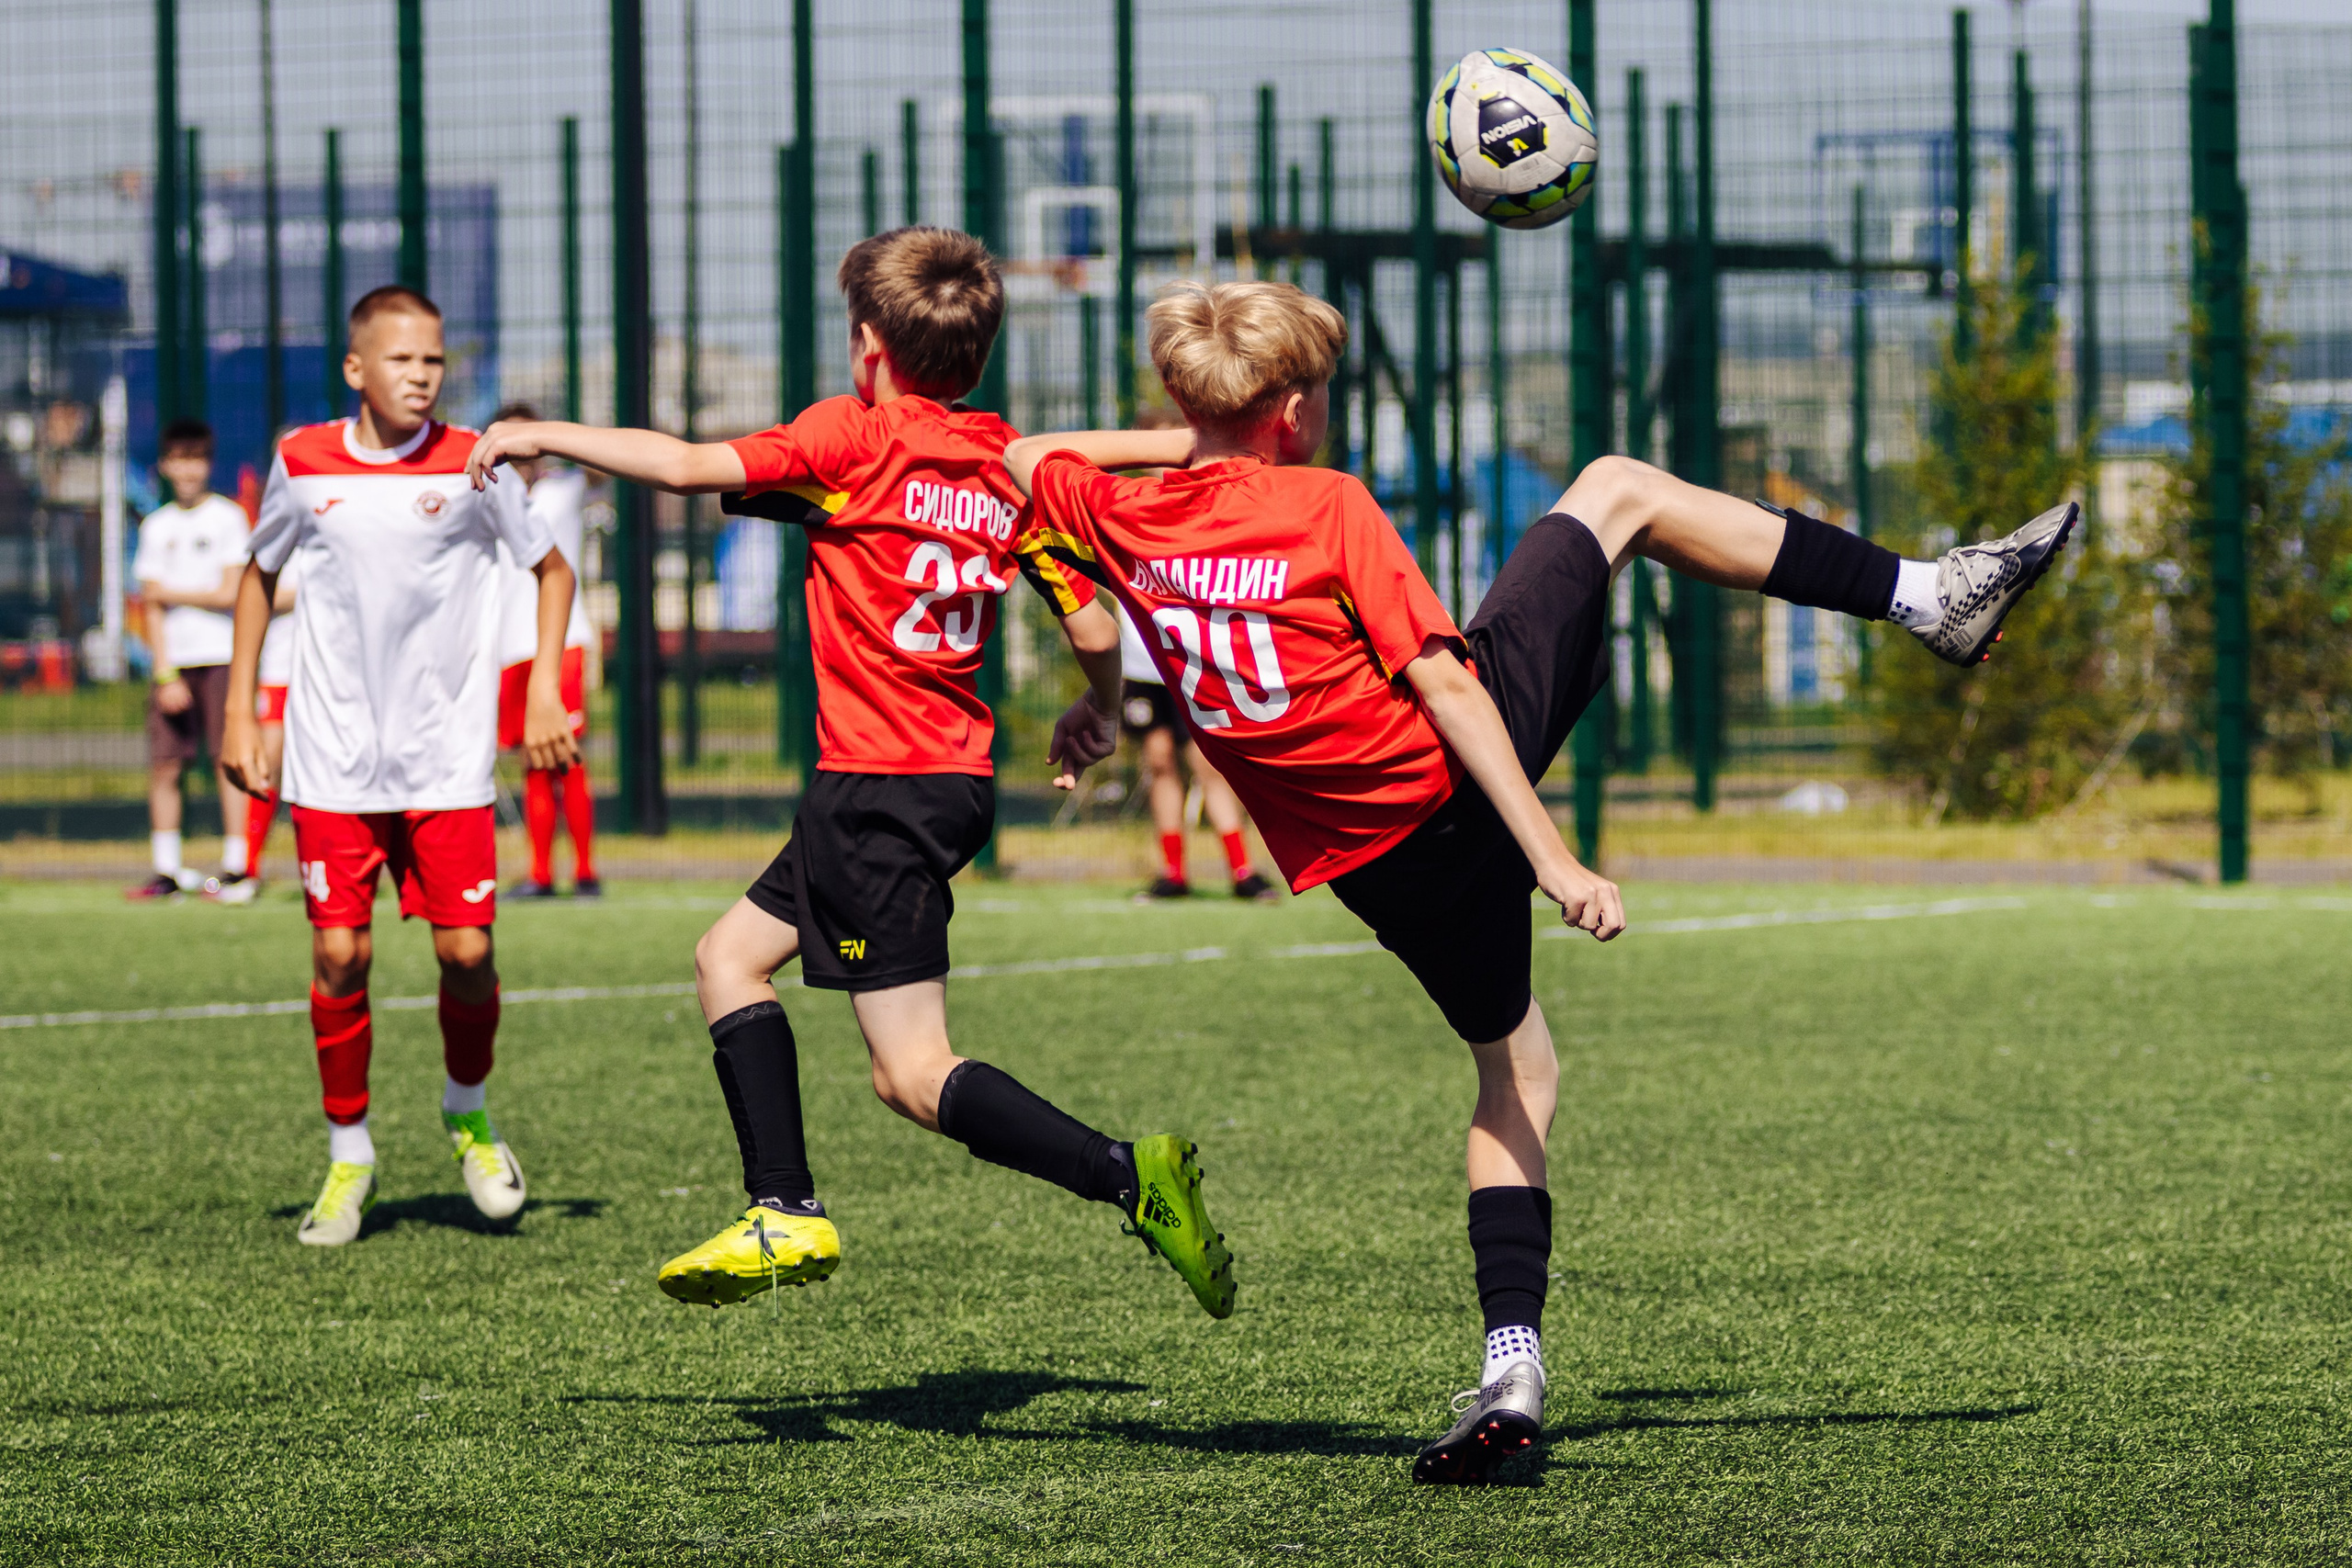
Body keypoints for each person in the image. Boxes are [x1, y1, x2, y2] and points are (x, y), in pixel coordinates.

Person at [1004, 278, 2077, 1483]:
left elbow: (1029, 450)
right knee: (1618, 487)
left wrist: (1202, 430)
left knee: (1519, 1067)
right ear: (1297, 410)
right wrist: (1554, 857)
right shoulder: (1326, 504)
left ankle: (1512, 1368)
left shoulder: (1118, 515)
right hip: (1452, 794)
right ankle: (1930, 595)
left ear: (1186, 398)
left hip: (1370, 868)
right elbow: (1451, 690)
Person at [462, 226, 1235, 1321]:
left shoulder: (847, 441)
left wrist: (539, 431)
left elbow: (684, 466)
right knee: (728, 957)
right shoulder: (1005, 464)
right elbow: (1097, 625)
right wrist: (1095, 714)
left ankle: (1127, 1176)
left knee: (912, 1074)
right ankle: (779, 1202)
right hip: (938, 782)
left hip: (875, 786)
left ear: (868, 346)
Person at [220, 284, 582, 1247]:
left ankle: (467, 1112)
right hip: (330, 759)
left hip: (448, 761)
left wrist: (543, 685)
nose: (421, 377)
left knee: (466, 955)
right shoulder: (302, 460)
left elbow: (552, 571)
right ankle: (350, 1156)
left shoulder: (476, 461)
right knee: (340, 954)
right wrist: (240, 711)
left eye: (434, 361)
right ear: (356, 369)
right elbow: (258, 576)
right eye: (401, 360)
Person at [127, 418, 252, 899]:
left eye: (196, 459)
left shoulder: (228, 518)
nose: (187, 470)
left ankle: (238, 866)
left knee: (228, 760)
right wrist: (165, 673)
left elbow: (229, 592)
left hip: (222, 656)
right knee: (165, 765)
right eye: (178, 460)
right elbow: (151, 609)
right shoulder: (157, 526)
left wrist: (169, 592)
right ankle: (168, 870)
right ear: (164, 465)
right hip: (176, 664)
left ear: (208, 463)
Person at [485, 400, 600, 899]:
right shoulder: (489, 494)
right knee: (532, 761)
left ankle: (586, 870)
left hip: (564, 641)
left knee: (567, 759)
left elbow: (601, 466)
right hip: (510, 648)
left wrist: (555, 439)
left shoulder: (564, 488)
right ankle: (539, 872)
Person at [1114, 597, 1275, 901]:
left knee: (1207, 765)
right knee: (1159, 763)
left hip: (1187, 661)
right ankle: (1173, 875)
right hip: (1140, 670)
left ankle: (1244, 872)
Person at [209, 555, 297, 906]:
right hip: (279, 672)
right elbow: (254, 593)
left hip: (334, 675)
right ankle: (247, 869)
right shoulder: (279, 539)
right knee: (267, 764)